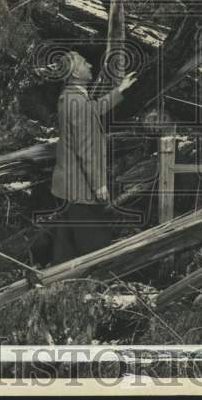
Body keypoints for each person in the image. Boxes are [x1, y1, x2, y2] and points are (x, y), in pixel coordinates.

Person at [50, 51, 137, 264]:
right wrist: (99, 185)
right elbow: (85, 148)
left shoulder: (71, 96)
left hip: (67, 184)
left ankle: (59, 284)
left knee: (66, 244)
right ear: (75, 73)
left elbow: (94, 110)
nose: (89, 64)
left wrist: (120, 90)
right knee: (94, 243)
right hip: (79, 186)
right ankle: (97, 281)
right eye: (84, 62)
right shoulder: (76, 101)